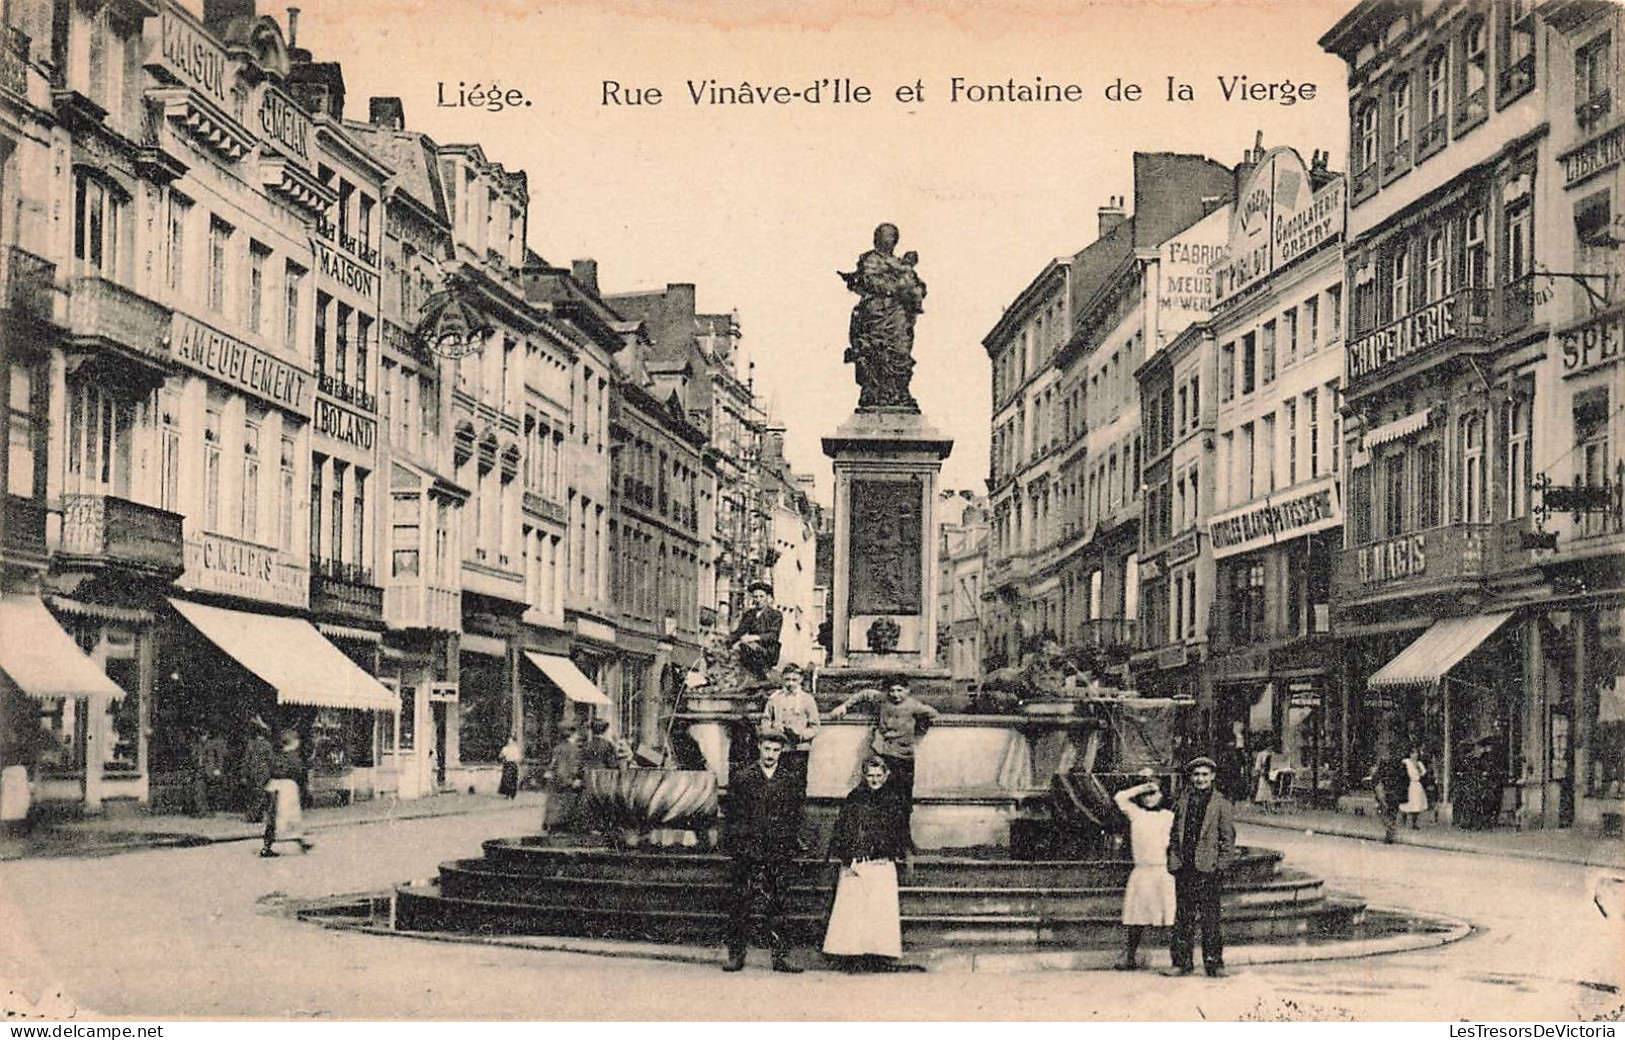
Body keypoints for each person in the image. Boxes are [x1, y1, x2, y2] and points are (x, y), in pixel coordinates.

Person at [722, 729, 806, 973]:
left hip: (778, 850)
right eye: (767, 749)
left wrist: (789, 842)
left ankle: (781, 957)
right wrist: (741, 845)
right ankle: (736, 955)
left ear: (782, 751)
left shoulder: (790, 779)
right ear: (759, 747)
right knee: (741, 900)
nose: (770, 754)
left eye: (776, 750)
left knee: (779, 902)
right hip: (748, 849)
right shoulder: (743, 778)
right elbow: (733, 816)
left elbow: (794, 816)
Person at [822, 756, 910, 971]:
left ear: (886, 775)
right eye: (870, 775)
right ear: (864, 775)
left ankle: (878, 956)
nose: (874, 780)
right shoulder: (855, 798)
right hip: (856, 860)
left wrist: (893, 851)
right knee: (854, 910)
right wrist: (848, 855)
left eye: (879, 775)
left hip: (880, 862)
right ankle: (852, 956)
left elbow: (899, 831)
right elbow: (843, 828)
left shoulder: (894, 800)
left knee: (879, 910)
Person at [829, 680, 939, 839]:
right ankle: (881, 838)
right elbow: (864, 694)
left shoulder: (914, 705)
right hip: (885, 756)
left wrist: (917, 733)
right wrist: (845, 706)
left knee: (903, 801)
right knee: (882, 798)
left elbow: (933, 715)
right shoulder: (882, 699)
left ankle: (903, 840)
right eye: (892, 690)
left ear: (907, 690)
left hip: (904, 758)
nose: (895, 694)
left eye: (900, 690)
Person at [839, 222, 928, 410]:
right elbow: (870, 280)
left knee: (901, 350)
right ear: (877, 238)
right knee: (875, 351)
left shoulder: (900, 263)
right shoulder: (870, 259)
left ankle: (899, 391)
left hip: (898, 314)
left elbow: (916, 284)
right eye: (885, 235)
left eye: (892, 236)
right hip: (877, 313)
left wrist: (915, 289)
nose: (889, 239)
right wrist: (897, 287)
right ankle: (873, 392)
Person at [1164, 756, 1235, 978]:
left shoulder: (1221, 804)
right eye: (1196, 775)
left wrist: (1220, 866)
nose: (1200, 779)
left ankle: (1214, 963)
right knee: (1183, 918)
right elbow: (1174, 835)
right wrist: (1174, 861)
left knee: (1210, 919)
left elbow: (1228, 839)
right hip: (1185, 869)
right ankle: (1181, 963)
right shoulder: (1182, 802)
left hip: (1208, 870)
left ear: (1212, 777)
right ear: (1191, 777)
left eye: (1205, 775)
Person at [1113, 774, 1177, 971]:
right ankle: (1130, 957)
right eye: (1145, 795)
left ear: (1162, 795)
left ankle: (1178, 960)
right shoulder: (1136, 814)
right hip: (1142, 871)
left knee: (1170, 915)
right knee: (1136, 915)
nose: (1149, 798)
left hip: (1163, 871)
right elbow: (1120, 798)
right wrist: (1142, 787)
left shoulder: (1169, 816)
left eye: (1153, 793)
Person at [760, 663, 820, 793]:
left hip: (799, 749)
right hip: (778, 750)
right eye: (787, 679)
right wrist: (772, 730)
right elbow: (765, 720)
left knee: (798, 784)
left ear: (801, 680)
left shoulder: (807, 700)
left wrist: (801, 734)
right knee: (778, 784)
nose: (790, 683)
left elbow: (815, 726)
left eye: (794, 680)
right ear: (782, 679)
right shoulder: (775, 699)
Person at [261, 730, 313, 857]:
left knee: (275, 818)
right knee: (292, 817)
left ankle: (268, 845)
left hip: (274, 786)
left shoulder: (277, 755)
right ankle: (299, 842)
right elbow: (299, 771)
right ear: (293, 742)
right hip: (288, 788)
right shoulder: (293, 756)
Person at [729, 581, 783, 681]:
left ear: (768, 598)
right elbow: (739, 632)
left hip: (767, 650)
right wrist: (725, 642)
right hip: (749, 649)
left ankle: (764, 674)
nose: (758, 600)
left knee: (746, 646)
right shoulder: (749, 614)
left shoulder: (775, 615)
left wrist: (753, 638)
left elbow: (773, 636)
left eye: (761, 596)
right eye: (755, 597)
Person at [541, 725, 584, 833]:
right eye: (576, 734)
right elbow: (563, 768)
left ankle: (550, 823)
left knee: (554, 803)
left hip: (555, 781)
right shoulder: (572, 749)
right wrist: (571, 781)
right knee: (564, 807)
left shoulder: (558, 747)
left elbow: (553, 765)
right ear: (572, 735)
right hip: (565, 783)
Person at [1370, 744, 1409, 843]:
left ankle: (1390, 830)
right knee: (1392, 813)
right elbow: (1405, 780)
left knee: (1381, 811)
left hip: (1387, 791)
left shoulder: (1384, 763)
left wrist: (1377, 786)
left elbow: (1377, 777)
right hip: (1396, 792)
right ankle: (1390, 831)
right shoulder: (1401, 765)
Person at [241, 717, 273, 824]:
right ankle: (257, 815)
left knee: (253, 794)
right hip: (264, 773)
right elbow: (271, 760)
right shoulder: (267, 745)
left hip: (253, 772)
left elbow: (246, 760)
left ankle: (253, 816)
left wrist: (244, 775)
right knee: (261, 794)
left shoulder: (251, 744)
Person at [1400, 747, 1429, 829]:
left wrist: (1418, 769)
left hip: (1417, 785)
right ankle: (1403, 821)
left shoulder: (1419, 764)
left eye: (1416, 753)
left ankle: (1414, 823)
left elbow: (1423, 773)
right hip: (1409, 784)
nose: (1415, 755)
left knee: (1417, 804)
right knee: (1406, 803)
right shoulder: (1406, 762)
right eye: (1413, 753)